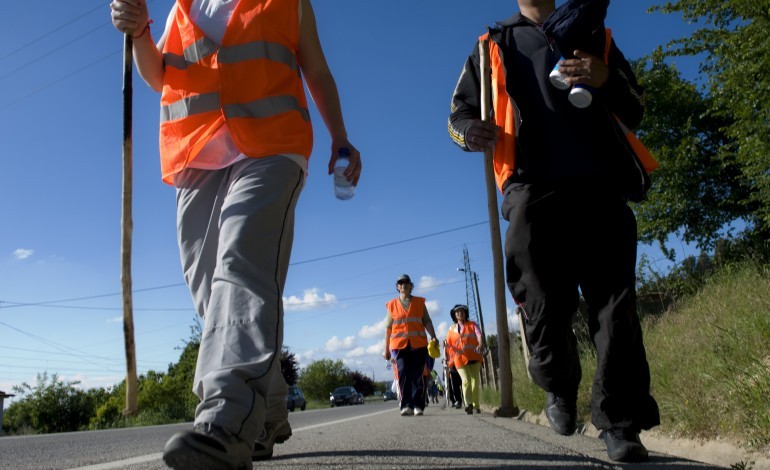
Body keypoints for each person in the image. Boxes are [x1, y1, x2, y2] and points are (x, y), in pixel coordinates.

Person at [109, 1, 361, 468]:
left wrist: (340, 136)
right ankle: (266, 411)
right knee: (209, 290)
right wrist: (139, 32)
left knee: (242, 264)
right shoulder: (182, 7)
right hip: (196, 156)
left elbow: (318, 71)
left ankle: (225, 419)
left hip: (273, 146)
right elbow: (158, 75)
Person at [447, 0, 659, 463]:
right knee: (541, 297)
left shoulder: (596, 35)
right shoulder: (492, 45)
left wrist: (604, 77)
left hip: (601, 184)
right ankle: (558, 384)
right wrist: (469, 132)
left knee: (614, 305)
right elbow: (457, 115)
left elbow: (636, 106)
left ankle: (621, 422)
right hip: (530, 188)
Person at [383, 274, 438, 417]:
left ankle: (418, 406)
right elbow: (388, 328)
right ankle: (406, 405)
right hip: (399, 346)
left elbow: (427, 321)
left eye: (406, 282)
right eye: (400, 283)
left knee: (417, 375)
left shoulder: (419, 303)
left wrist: (433, 336)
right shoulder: (392, 305)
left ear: (411, 285)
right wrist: (386, 349)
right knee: (403, 374)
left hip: (418, 344)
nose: (404, 285)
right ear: (397, 287)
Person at [445, 305, 483, 415]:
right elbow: (448, 343)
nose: (460, 313)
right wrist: (445, 344)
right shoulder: (451, 329)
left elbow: (479, 335)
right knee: (466, 381)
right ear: (454, 315)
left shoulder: (472, 325)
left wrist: (480, 344)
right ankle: (468, 404)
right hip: (460, 359)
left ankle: (476, 405)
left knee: (475, 383)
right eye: (457, 312)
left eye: (462, 311)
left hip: (474, 356)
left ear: (465, 313)